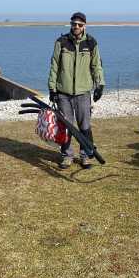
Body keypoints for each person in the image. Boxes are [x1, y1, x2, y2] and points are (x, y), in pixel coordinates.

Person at [48, 12, 105, 169]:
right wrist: (52, 88)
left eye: (80, 24)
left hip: (83, 93)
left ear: (84, 25)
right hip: (63, 93)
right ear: (71, 24)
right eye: (74, 24)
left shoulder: (91, 43)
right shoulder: (61, 42)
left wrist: (100, 85)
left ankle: (85, 156)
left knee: (84, 126)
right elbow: (54, 66)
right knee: (66, 126)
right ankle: (67, 156)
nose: (76, 27)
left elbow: (96, 66)